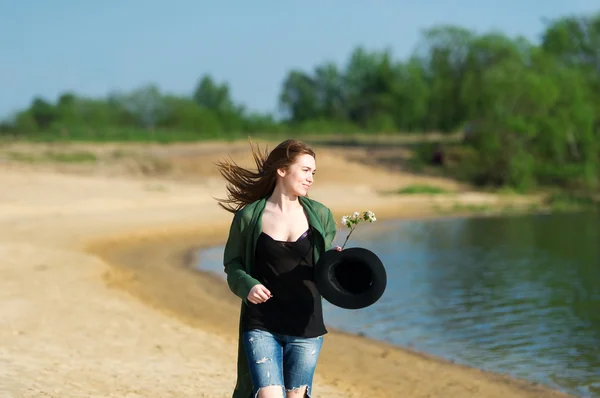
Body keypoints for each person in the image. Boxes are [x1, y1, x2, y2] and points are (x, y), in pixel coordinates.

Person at [215, 139, 340, 398]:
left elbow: (323, 264)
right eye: (305, 170)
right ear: (282, 170)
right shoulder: (248, 217)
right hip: (261, 323)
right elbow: (233, 264)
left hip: (306, 324)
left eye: (313, 173)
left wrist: (335, 263)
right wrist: (248, 286)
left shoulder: (321, 215)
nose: (310, 179)